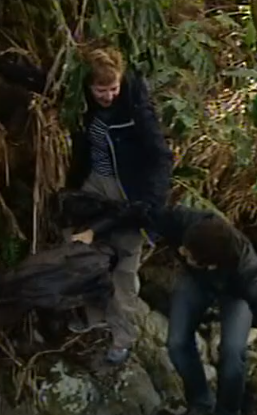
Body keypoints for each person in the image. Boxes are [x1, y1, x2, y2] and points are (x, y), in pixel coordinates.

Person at [72, 204, 257, 415]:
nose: (181, 252)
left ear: (210, 262)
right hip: (195, 281)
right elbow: (136, 210)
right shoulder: (183, 221)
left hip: (234, 294)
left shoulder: (249, 274)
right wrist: (93, 231)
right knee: (176, 342)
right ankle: (200, 403)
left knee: (232, 351)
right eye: (184, 247)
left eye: (188, 253)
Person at [65, 46, 174, 365]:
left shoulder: (135, 105)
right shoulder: (80, 100)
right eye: (101, 90)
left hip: (131, 189)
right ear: (89, 86)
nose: (108, 96)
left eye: (113, 88)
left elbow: (160, 155)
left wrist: (151, 201)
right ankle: (92, 315)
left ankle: (123, 335)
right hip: (95, 182)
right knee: (82, 251)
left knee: (125, 268)